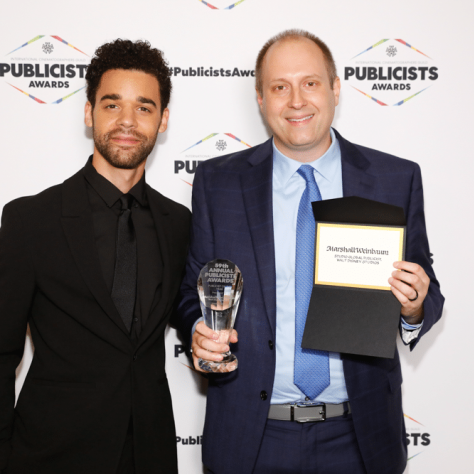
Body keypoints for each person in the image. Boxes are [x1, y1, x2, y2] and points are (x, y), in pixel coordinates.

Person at [177, 30, 444, 474]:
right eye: (279, 87)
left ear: (336, 89)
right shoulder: (218, 183)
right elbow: (192, 290)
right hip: (252, 437)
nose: (296, 100)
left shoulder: (393, 179)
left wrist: (415, 307)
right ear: (261, 99)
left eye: (311, 83)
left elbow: (427, 292)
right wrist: (198, 329)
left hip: (359, 439)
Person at [0, 39, 190, 474]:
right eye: (111, 105)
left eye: (144, 107)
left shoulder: (178, 222)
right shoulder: (31, 220)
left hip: (150, 454)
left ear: (163, 121)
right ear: (88, 114)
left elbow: (188, 310)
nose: (127, 121)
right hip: (49, 456)